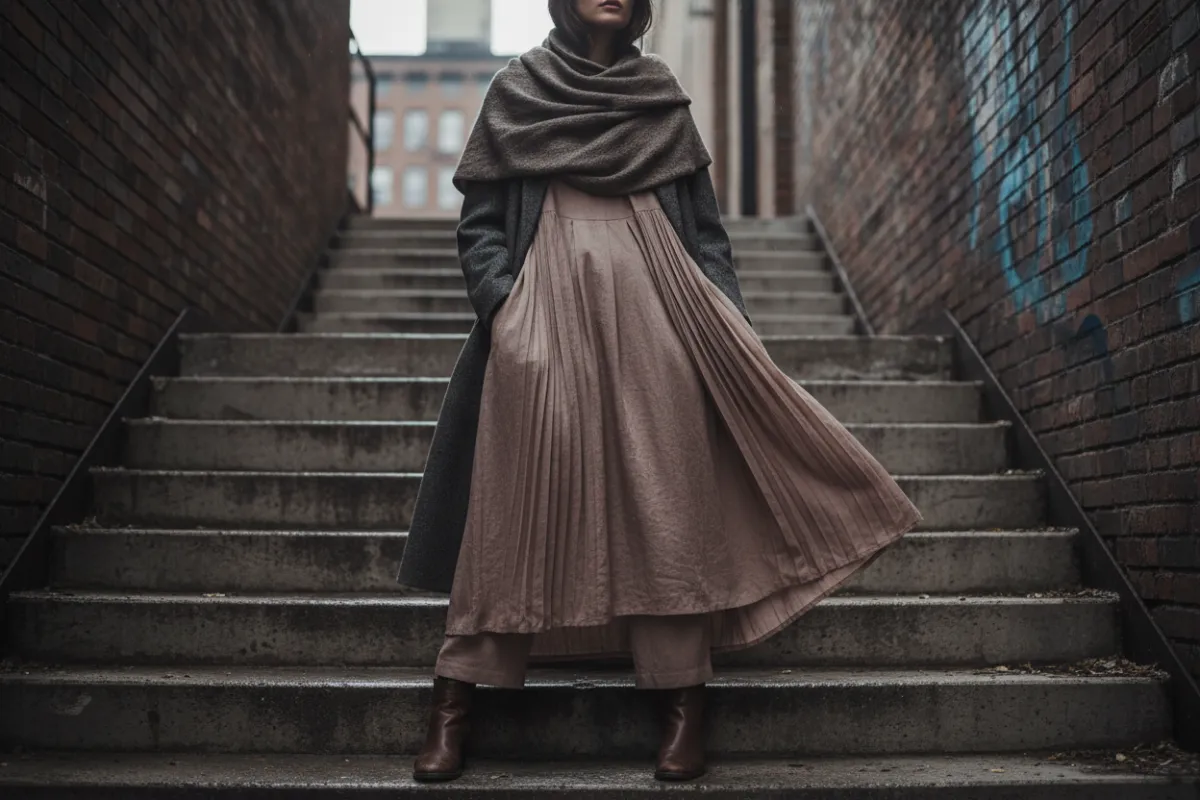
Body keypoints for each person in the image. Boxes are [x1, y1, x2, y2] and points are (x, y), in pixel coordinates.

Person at [397, 0, 922, 783]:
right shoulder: (517, 88)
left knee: (667, 503)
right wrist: (506, 307)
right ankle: (454, 705)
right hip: (542, 312)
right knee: (514, 507)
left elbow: (707, 233)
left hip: (663, 311)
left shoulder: (660, 94)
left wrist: (725, 325)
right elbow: (478, 224)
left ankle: (683, 706)